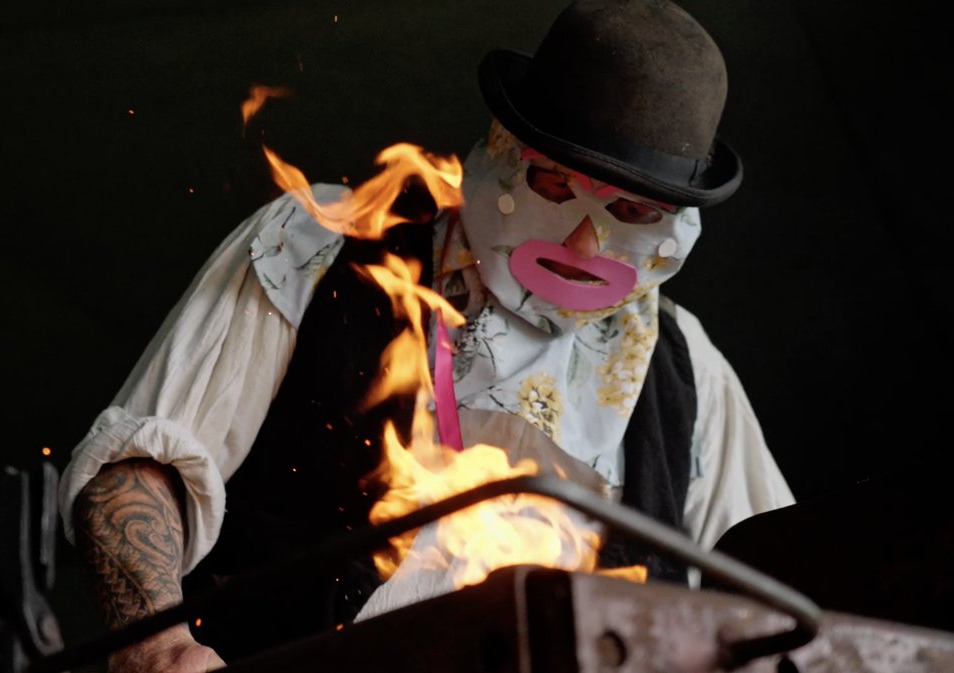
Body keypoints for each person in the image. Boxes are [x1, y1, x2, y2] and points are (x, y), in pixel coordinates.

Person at [58, 0, 795, 671]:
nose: (581, 237)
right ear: (507, 149)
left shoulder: (688, 369)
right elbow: (137, 469)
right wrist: (157, 648)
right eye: (557, 184)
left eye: (632, 212)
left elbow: (783, 603)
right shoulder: (323, 244)